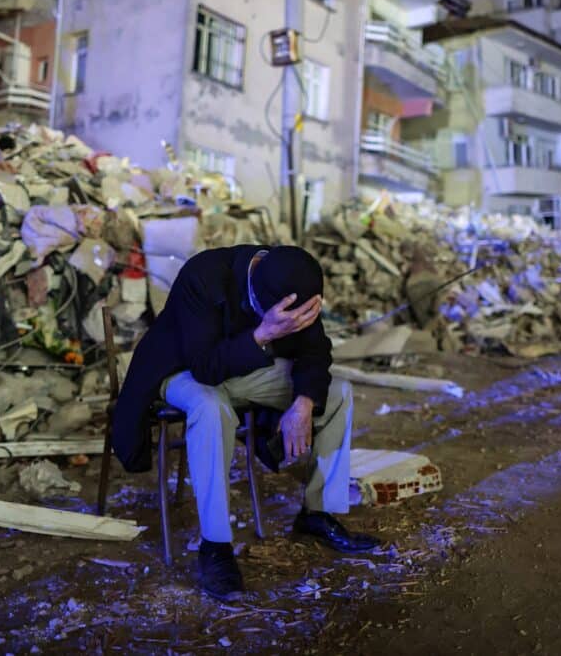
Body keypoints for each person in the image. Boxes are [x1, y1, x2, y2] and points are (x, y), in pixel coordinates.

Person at [112, 244, 378, 599]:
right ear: (256, 295)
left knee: (338, 391)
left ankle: (318, 511)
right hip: (181, 369)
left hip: (243, 367)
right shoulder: (203, 275)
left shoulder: (292, 277)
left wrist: (303, 402)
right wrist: (264, 333)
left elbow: (315, 349)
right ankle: (215, 546)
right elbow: (205, 369)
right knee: (211, 407)